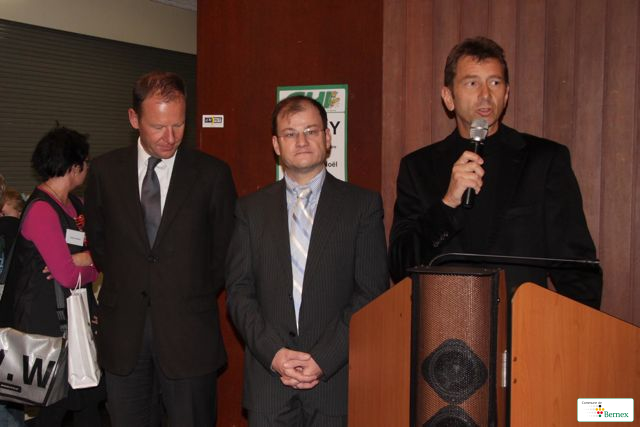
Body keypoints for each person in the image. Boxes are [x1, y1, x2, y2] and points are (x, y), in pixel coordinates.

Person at [389, 36, 602, 309]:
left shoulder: (544, 160)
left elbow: (577, 268)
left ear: (507, 94)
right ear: (448, 97)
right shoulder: (418, 168)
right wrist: (447, 204)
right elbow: (400, 265)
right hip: (447, 327)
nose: (485, 95)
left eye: (495, 83)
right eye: (472, 83)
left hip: (525, 326)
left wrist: (573, 328)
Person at [84, 71, 237, 426]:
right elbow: (100, 243)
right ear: (133, 118)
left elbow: (224, 252)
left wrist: (185, 291)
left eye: (178, 125)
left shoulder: (212, 174)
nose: (170, 137)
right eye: (158, 126)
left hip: (189, 337)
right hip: (124, 337)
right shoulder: (105, 172)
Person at [226, 95, 389, 426]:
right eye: (290, 133)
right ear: (276, 144)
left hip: (334, 383)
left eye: (311, 131)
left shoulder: (362, 206)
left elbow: (371, 293)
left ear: (327, 138)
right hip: (269, 384)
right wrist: (274, 354)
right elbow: (239, 293)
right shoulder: (250, 210)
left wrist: (323, 359)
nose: (301, 141)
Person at [2, 126, 103, 426]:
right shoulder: (42, 211)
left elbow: (96, 252)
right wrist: (94, 263)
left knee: (84, 402)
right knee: (54, 408)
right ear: (74, 165)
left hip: (74, 322)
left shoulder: (74, 205)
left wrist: (86, 258)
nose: (88, 167)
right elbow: (68, 275)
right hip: (46, 328)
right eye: (86, 161)